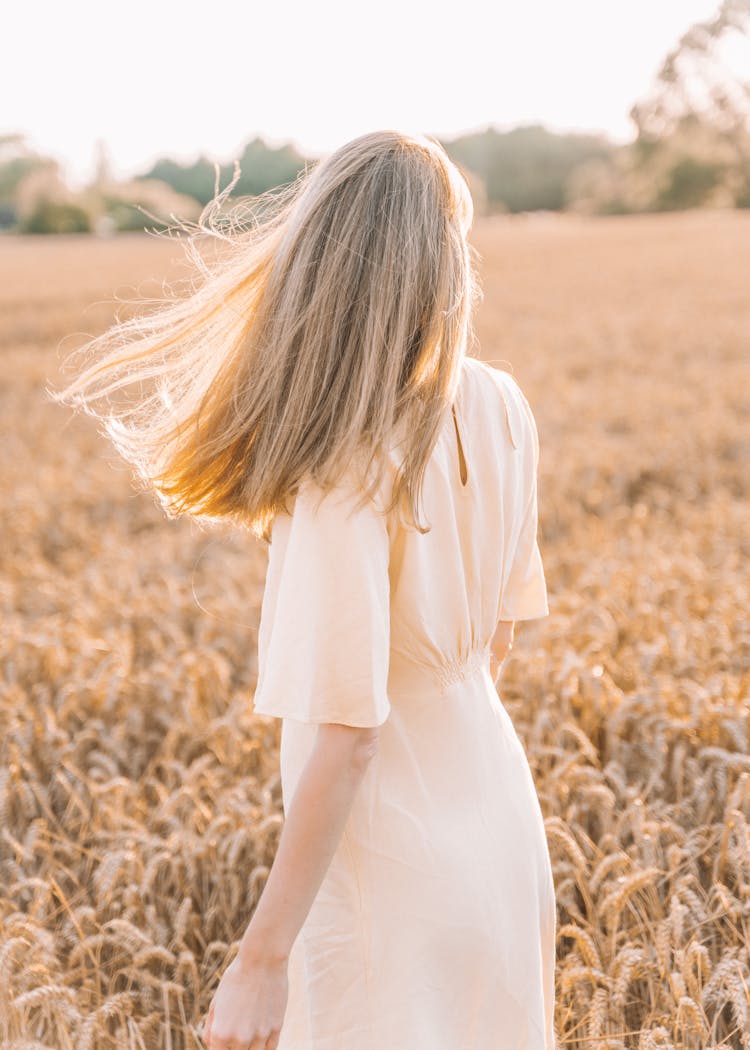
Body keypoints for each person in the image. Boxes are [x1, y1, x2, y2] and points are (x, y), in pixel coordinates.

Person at [51, 129, 556, 1049]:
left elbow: (352, 736)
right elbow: (500, 643)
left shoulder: (345, 466)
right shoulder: (502, 404)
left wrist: (261, 961)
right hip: (496, 820)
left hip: (388, 859)